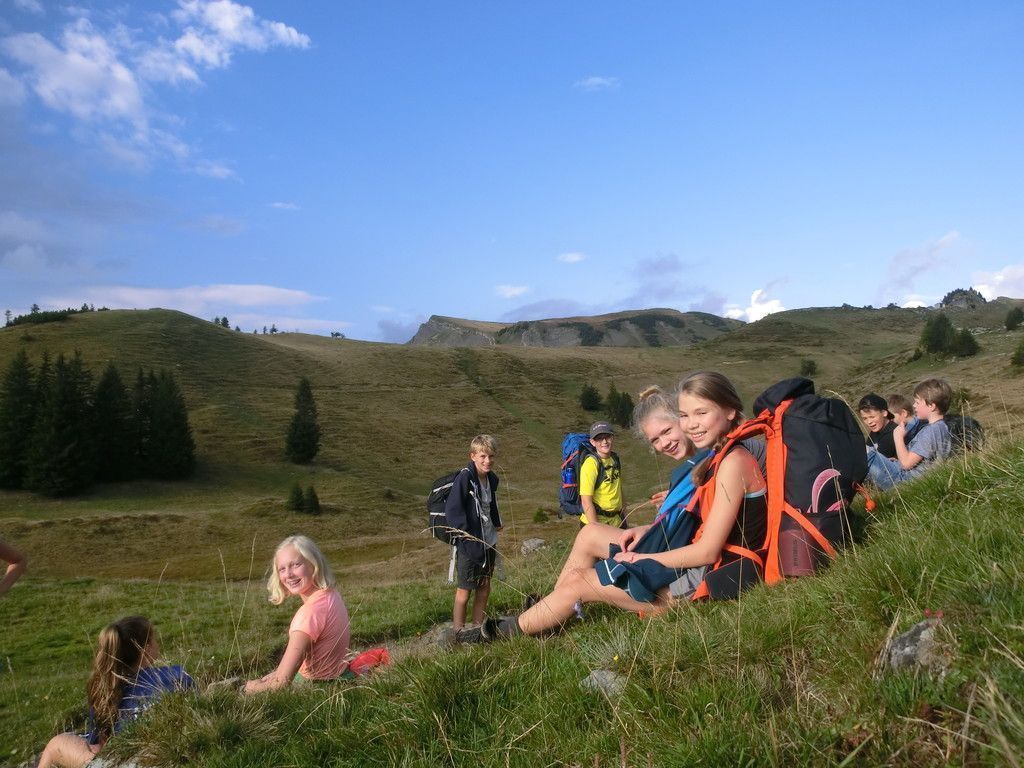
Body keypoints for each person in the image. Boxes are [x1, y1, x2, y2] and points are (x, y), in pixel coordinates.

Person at [458, 371, 767, 642]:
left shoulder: (730, 460)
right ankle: (548, 616)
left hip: (703, 580)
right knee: (589, 534)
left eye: (699, 414)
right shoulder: (713, 458)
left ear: (729, 410)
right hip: (692, 560)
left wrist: (642, 556)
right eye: (686, 416)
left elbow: (707, 550)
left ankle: (499, 634)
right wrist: (648, 530)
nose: (691, 425)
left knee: (580, 582)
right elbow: (698, 521)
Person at [38, 616, 193, 768]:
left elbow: (98, 744)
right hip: (168, 756)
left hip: (123, 761)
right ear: (146, 650)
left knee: (56, 744)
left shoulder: (107, 691)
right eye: (155, 640)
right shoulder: (177, 675)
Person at [244, 535, 351, 692]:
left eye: (296, 565)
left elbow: (280, 684)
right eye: (282, 569)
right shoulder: (331, 595)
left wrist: (249, 688)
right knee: (269, 676)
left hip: (318, 688)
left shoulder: (309, 613)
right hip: (343, 676)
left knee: (247, 687)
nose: (288, 575)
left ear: (313, 564)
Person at [444, 435, 502, 630]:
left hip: (489, 541)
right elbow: (452, 511)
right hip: (469, 545)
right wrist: (466, 536)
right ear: (473, 456)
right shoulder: (465, 478)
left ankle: (477, 630)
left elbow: (491, 504)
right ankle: (458, 633)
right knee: (464, 592)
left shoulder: (491, 478)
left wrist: (496, 522)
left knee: (484, 587)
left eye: (491, 456)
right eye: (483, 456)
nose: (488, 461)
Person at [866, 378, 953, 490]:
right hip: (912, 477)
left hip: (904, 481)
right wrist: (897, 461)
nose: (914, 405)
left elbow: (906, 464)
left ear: (931, 406)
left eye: (917, 402)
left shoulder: (931, 431)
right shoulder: (942, 427)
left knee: (864, 452)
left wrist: (898, 437)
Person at [579, 421, 626, 527]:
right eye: (599, 438)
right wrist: (596, 528)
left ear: (612, 438)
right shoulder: (591, 464)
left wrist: (624, 515)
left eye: (607, 437)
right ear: (592, 442)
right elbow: (586, 501)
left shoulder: (614, 459)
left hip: (616, 521)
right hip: (596, 521)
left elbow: (617, 487)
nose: (604, 441)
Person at [858, 393, 898, 459]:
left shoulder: (892, 434)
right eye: (865, 418)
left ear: (884, 413)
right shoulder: (875, 431)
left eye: (872, 417)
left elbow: (875, 460)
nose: (869, 422)